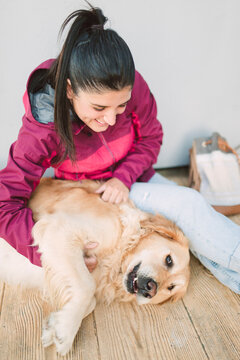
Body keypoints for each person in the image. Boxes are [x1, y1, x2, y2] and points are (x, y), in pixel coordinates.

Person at [0, 5, 239, 294]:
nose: (111, 119)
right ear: (69, 90)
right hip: (90, 194)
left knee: (190, 209)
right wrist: (52, 253)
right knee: (190, 216)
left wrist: (123, 177)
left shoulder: (132, 85)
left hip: (133, 180)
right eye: (99, 108)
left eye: (121, 106)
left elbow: (151, 138)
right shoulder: (43, 128)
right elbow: (5, 204)